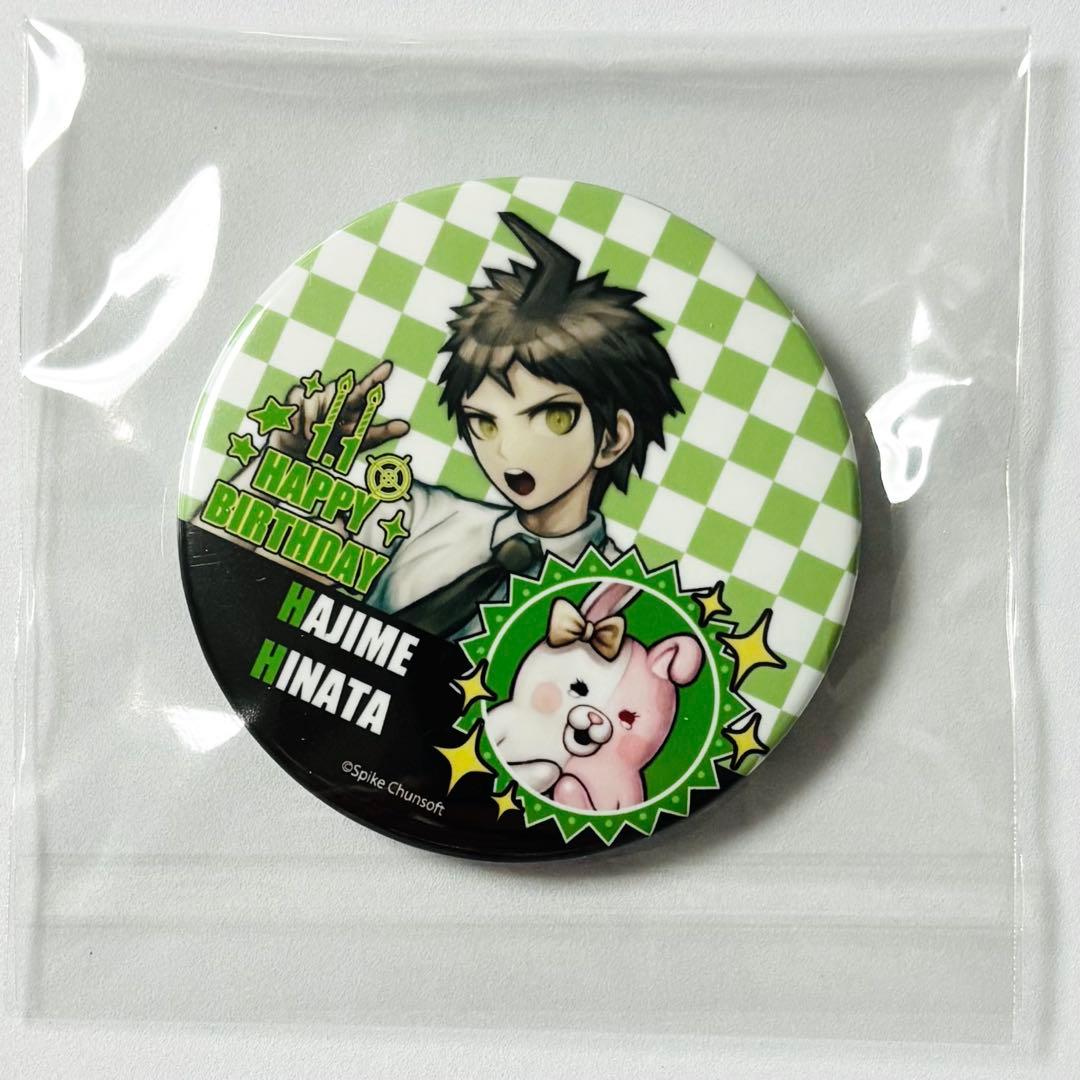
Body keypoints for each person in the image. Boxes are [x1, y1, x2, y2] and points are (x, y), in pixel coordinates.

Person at [247, 213, 683, 640]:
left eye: (553, 418)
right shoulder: (414, 515)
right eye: (485, 424)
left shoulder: (623, 604)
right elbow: (244, 601)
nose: (509, 452)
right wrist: (287, 465)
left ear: (613, 438)